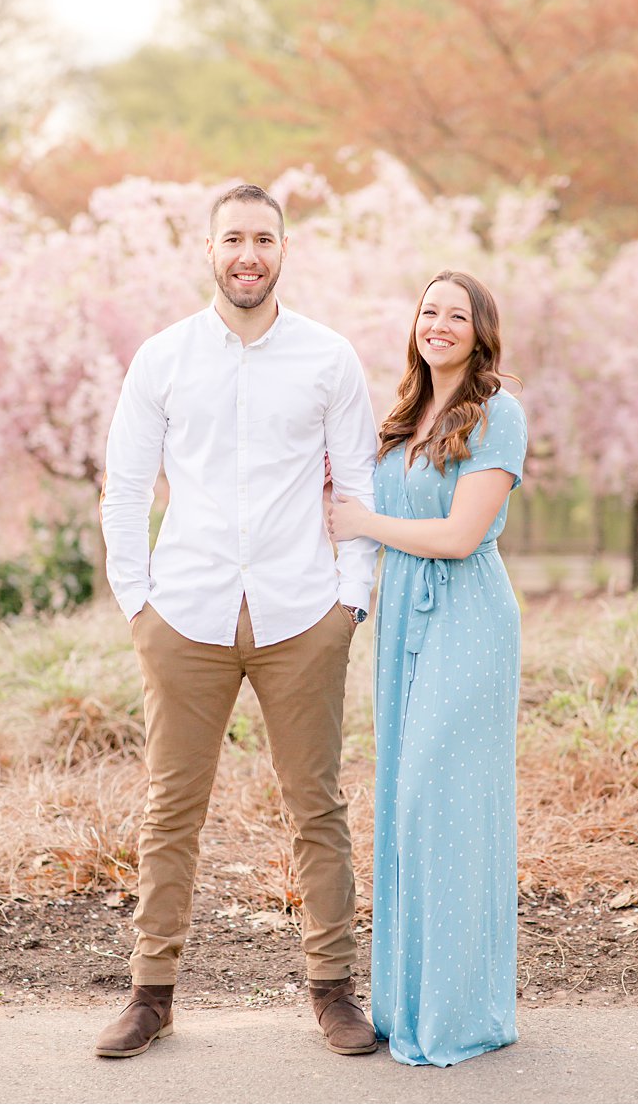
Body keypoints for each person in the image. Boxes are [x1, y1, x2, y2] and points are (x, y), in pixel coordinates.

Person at [96, 183, 381, 1059]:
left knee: (316, 807)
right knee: (170, 806)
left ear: (284, 248)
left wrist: (349, 602)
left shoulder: (330, 358)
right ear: (208, 249)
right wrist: (138, 604)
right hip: (184, 614)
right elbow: (126, 488)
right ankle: (152, 993)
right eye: (233, 239)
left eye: (263, 238)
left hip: (304, 616)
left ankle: (333, 990)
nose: (247, 254)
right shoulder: (164, 357)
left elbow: (358, 484)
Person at [328, 270, 526, 1066]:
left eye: (457, 314)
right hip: (404, 616)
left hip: (468, 619)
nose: (439, 323)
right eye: (428, 311)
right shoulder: (405, 414)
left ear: (480, 332)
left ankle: (459, 1013)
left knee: (437, 802)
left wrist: (365, 520)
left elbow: (457, 535)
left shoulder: (498, 412)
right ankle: (406, 1003)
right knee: (404, 809)